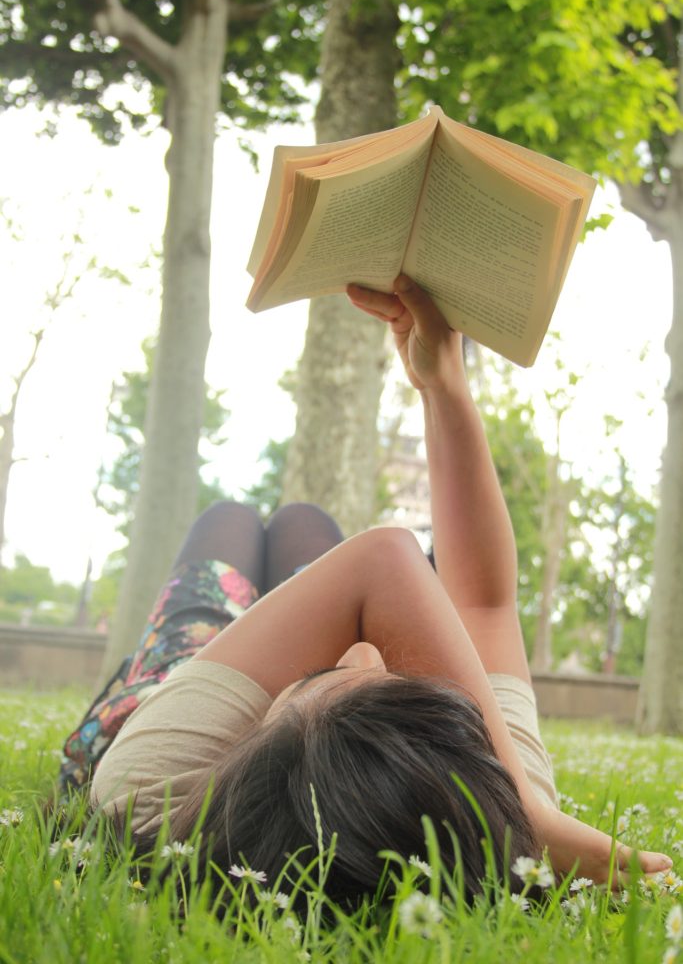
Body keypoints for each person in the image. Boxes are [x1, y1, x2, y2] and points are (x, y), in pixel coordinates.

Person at [59, 276, 672, 906]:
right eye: (396, 676)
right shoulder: (483, 779)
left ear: (258, 746)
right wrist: (444, 384)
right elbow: (485, 603)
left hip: (167, 689)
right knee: (309, 527)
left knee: (231, 520)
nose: (362, 644)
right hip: (456, 779)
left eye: (323, 673)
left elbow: (382, 561)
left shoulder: (148, 792)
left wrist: (529, 818)